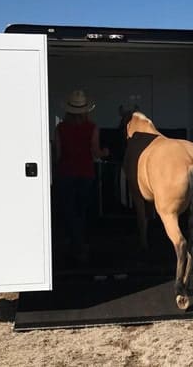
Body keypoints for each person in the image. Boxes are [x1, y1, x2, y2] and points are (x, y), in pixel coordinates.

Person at [54, 90, 109, 263]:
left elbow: (57, 154)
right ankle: (81, 247)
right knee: (82, 211)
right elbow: (96, 152)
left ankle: (73, 246)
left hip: (65, 173)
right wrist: (105, 152)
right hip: (86, 173)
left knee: (68, 211)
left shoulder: (60, 128)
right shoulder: (92, 128)